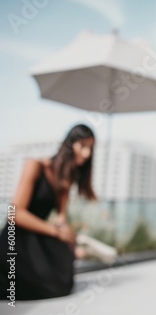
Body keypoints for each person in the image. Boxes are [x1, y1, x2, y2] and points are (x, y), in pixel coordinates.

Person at [0, 124, 97, 300]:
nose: (87, 154)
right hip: (17, 237)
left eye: (90, 149)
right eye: (83, 146)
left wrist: (68, 236)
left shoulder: (66, 180)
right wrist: (55, 231)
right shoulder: (36, 165)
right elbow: (15, 214)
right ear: (70, 144)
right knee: (42, 285)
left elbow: (61, 219)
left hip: (40, 235)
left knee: (62, 282)